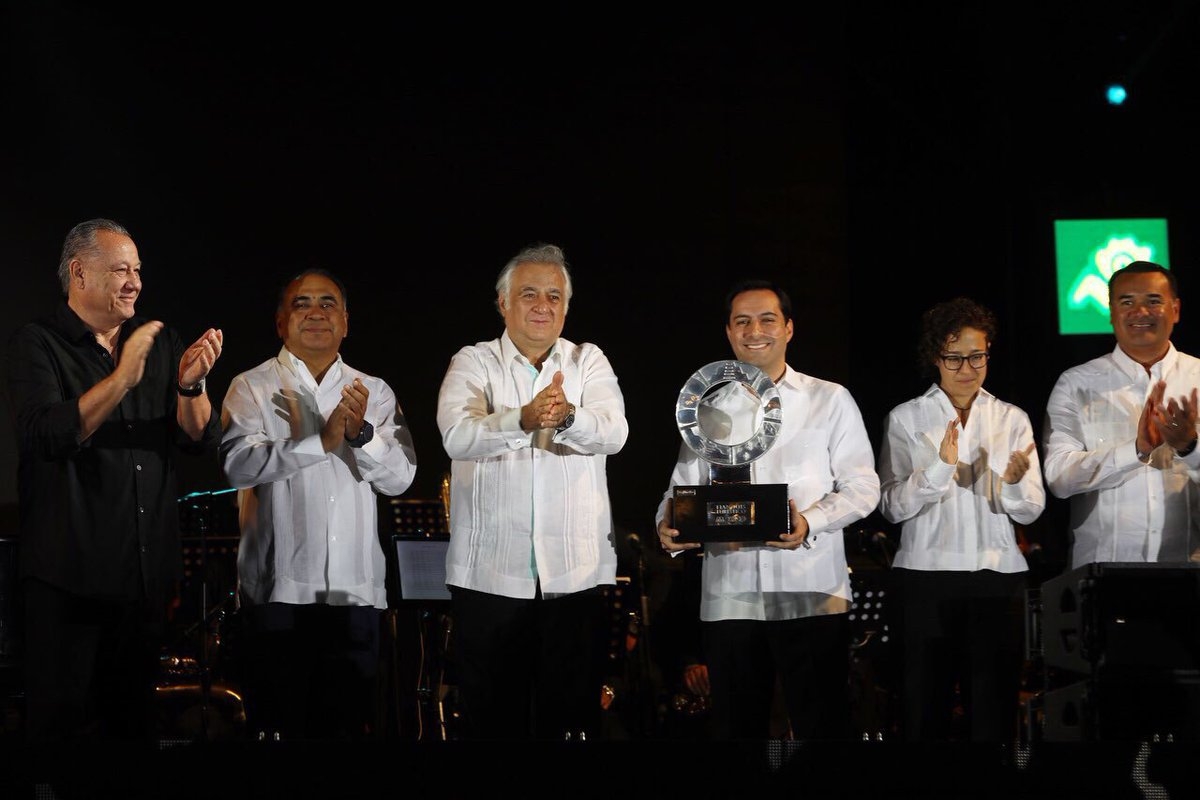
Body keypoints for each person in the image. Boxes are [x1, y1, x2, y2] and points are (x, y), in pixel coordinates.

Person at [6, 218, 223, 747]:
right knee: (59, 735)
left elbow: (197, 439)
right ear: (79, 273)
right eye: (121, 269)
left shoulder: (160, 341)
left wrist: (191, 386)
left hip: (141, 583)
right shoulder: (38, 342)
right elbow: (47, 434)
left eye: (138, 270)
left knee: (132, 731)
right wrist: (122, 378)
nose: (135, 282)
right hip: (67, 582)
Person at [655, 278, 880, 741]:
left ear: (789, 329)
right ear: (729, 333)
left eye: (766, 319)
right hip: (731, 595)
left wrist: (810, 522)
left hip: (811, 589)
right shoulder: (707, 408)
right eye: (742, 322)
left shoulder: (829, 399)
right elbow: (680, 489)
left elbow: (863, 487)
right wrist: (667, 523)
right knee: (737, 731)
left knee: (824, 728)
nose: (754, 330)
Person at [436, 242, 628, 740]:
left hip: (574, 576)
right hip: (489, 575)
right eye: (529, 294)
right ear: (503, 303)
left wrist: (566, 416)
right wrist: (521, 419)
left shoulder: (588, 361)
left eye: (554, 296)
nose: (542, 305)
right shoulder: (473, 361)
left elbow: (614, 432)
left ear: (566, 306)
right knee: (493, 722)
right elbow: (457, 436)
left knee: (569, 721)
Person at [219, 268, 417, 740]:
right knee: (278, 730)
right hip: (278, 596)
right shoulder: (251, 386)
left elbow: (401, 478)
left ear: (346, 322)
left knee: (347, 734)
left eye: (327, 303)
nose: (316, 313)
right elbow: (236, 467)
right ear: (281, 321)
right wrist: (321, 443)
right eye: (301, 303)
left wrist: (360, 435)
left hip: (355, 597)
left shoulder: (376, 391)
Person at [877, 297, 1044, 745]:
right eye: (954, 357)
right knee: (921, 711)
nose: (967, 368)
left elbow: (1031, 508)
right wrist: (937, 470)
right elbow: (890, 505)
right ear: (936, 356)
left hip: (997, 578)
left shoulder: (1012, 418)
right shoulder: (907, 418)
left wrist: (1008, 483)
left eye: (977, 356)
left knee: (992, 717)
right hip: (924, 579)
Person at [1044, 260, 1200, 566]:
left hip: (1189, 571)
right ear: (1112, 312)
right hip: (1103, 575)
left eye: (1153, 301)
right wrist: (1136, 450)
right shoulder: (1076, 383)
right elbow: (1058, 478)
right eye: (1127, 302)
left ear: (1176, 310)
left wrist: (1189, 447)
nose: (1140, 312)